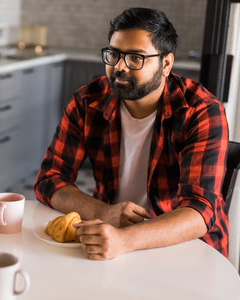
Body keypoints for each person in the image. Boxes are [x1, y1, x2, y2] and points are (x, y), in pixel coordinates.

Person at [34, 7, 229, 260]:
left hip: (187, 249)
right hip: (110, 239)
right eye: (113, 54)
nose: (120, 68)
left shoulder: (200, 110)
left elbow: (200, 211)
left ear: (166, 63)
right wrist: (104, 213)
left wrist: (125, 240)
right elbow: (50, 179)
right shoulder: (88, 102)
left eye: (136, 58)